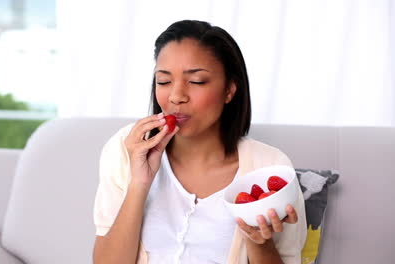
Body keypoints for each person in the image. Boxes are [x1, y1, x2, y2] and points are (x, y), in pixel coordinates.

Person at [93, 20, 307, 264]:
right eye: (163, 81)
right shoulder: (126, 148)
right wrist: (139, 183)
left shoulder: (269, 166)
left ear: (230, 90)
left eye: (196, 82)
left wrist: (260, 242)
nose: (176, 96)